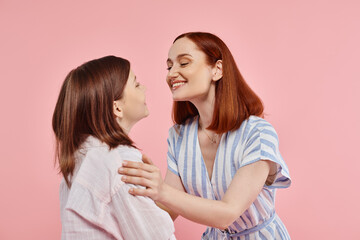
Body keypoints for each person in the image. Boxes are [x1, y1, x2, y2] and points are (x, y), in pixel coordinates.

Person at [118, 32, 291, 239]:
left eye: (184, 63)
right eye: (169, 66)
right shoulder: (179, 136)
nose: (172, 73)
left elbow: (228, 213)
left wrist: (161, 190)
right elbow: (168, 211)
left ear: (217, 70)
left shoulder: (258, 133)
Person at [52, 56, 176, 240]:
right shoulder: (119, 162)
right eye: (136, 84)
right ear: (117, 108)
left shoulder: (79, 161)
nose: (144, 88)